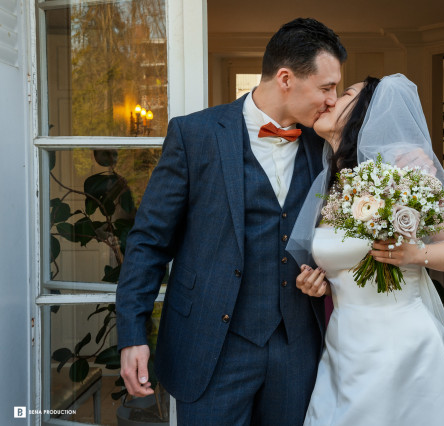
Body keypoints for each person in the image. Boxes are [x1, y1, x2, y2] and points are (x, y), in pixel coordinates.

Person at [115, 18, 347, 425]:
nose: (332, 101)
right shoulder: (195, 134)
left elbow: (339, 235)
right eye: (327, 88)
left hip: (297, 346)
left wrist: (326, 273)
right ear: (286, 78)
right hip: (210, 345)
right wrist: (133, 334)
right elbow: (149, 241)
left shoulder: (325, 145)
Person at [287, 74, 444, 425]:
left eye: (344, 93)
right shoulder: (328, 181)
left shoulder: (404, 167)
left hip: (400, 347)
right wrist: (315, 281)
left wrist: (413, 254)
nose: (330, 100)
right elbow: (342, 263)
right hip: (344, 345)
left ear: (367, 113)